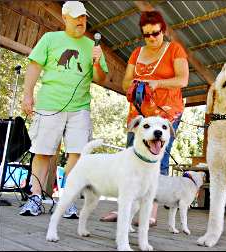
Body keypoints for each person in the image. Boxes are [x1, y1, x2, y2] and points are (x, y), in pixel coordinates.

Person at [20, 1, 108, 218]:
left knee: (77, 153)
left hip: (80, 108)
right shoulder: (50, 39)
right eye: (77, 17)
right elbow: (34, 65)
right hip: (50, 103)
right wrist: (27, 94)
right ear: (65, 17)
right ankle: (36, 197)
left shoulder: (93, 46)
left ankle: (67, 198)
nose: (81, 21)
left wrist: (97, 63)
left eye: (84, 17)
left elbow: (101, 78)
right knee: (43, 151)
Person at [99, 10, 189, 224]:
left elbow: (183, 80)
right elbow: (124, 83)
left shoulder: (175, 49)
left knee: (159, 159)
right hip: (139, 115)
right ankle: (124, 209)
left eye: (155, 33)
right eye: (146, 34)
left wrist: (157, 83)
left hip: (166, 113)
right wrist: (136, 86)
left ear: (163, 30)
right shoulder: (136, 53)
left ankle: (150, 212)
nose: (151, 38)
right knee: (131, 160)